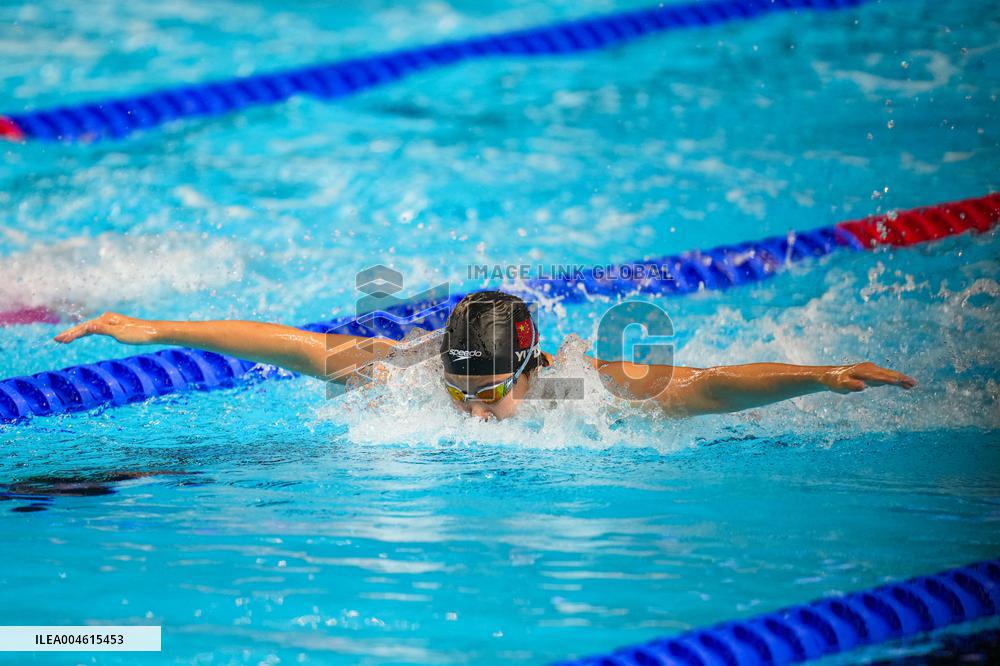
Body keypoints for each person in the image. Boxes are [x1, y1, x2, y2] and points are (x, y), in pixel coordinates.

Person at [54, 290, 915, 421]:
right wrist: (155, 331)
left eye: (487, 388)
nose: (468, 406)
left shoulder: (583, 388)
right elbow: (291, 347)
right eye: (458, 387)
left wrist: (817, 375)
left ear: (529, 369)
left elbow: (707, 388)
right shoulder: (413, 370)